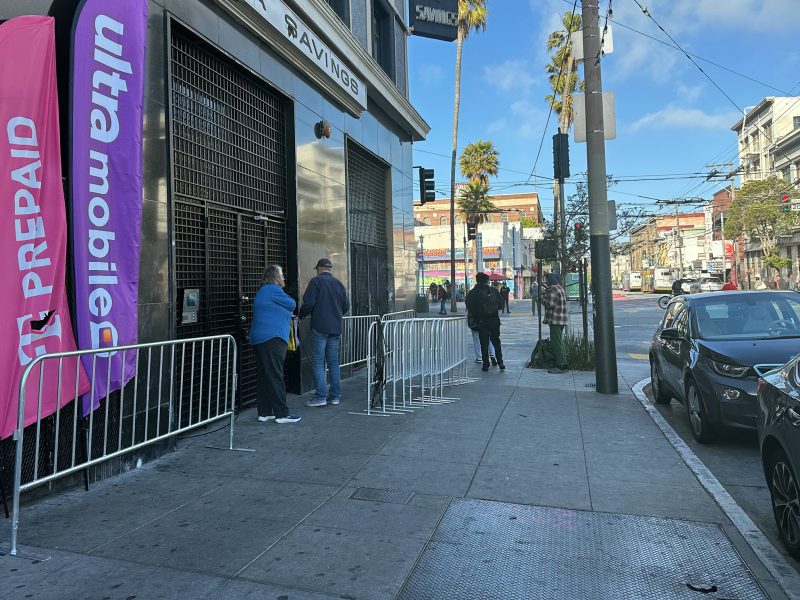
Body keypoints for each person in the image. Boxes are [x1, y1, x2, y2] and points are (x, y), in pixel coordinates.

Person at [249, 265, 301, 424]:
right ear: (275, 276)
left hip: (260, 339)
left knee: (265, 376)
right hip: (273, 338)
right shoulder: (273, 290)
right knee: (276, 375)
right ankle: (282, 414)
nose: (284, 277)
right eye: (282, 275)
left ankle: (264, 412)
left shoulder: (263, 290)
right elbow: (292, 304)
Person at [299, 258, 350, 407]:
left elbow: (308, 303)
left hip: (320, 327)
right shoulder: (339, 284)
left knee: (318, 363)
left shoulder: (316, 282)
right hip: (335, 328)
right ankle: (334, 397)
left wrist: (301, 315)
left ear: (319, 268)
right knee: (333, 362)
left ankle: (320, 397)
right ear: (330, 269)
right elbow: (346, 306)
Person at [465, 272, 504, 372]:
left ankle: (485, 364)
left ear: (477, 281)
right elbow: (501, 304)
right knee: (496, 341)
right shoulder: (494, 291)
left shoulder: (473, 292)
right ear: (487, 281)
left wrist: (476, 315)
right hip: (494, 320)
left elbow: (469, 305)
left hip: (481, 321)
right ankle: (500, 362)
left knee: (484, 343)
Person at [542, 272, 569, 374]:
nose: (546, 281)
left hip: (555, 319)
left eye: (547, 279)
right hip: (561, 319)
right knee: (559, 342)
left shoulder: (553, 289)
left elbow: (550, 304)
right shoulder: (560, 288)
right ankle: (563, 363)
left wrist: (542, 299)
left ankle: (561, 365)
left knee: (556, 343)